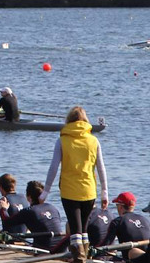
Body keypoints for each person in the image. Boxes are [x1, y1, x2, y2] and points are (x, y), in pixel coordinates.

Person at [41, 106, 108, 263]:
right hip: (89, 190)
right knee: (83, 228)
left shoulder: (62, 140)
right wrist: (105, 191)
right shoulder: (93, 140)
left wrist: (46, 191)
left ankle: (79, 258)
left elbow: (53, 167)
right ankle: (85, 255)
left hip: (69, 191)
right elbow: (101, 167)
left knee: (75, 228)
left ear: (68, 120)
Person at [0, 181, 64, 252]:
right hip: (60, 247)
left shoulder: (29, 211)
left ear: (28, 197)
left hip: (44, 249)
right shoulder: (52, 207)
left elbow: (6, 222)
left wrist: (4, 208)